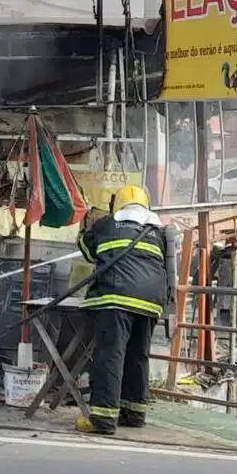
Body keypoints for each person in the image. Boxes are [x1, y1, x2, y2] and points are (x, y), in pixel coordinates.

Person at [75, 185, 176, 435]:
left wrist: (85, 227)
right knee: (137, 356)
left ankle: (103, 419)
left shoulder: (107, 224)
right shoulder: (158, 231)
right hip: (151, 302)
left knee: (110, 355)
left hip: (116, 298)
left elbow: (87, 251)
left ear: (117, 205)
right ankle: (134, 413)